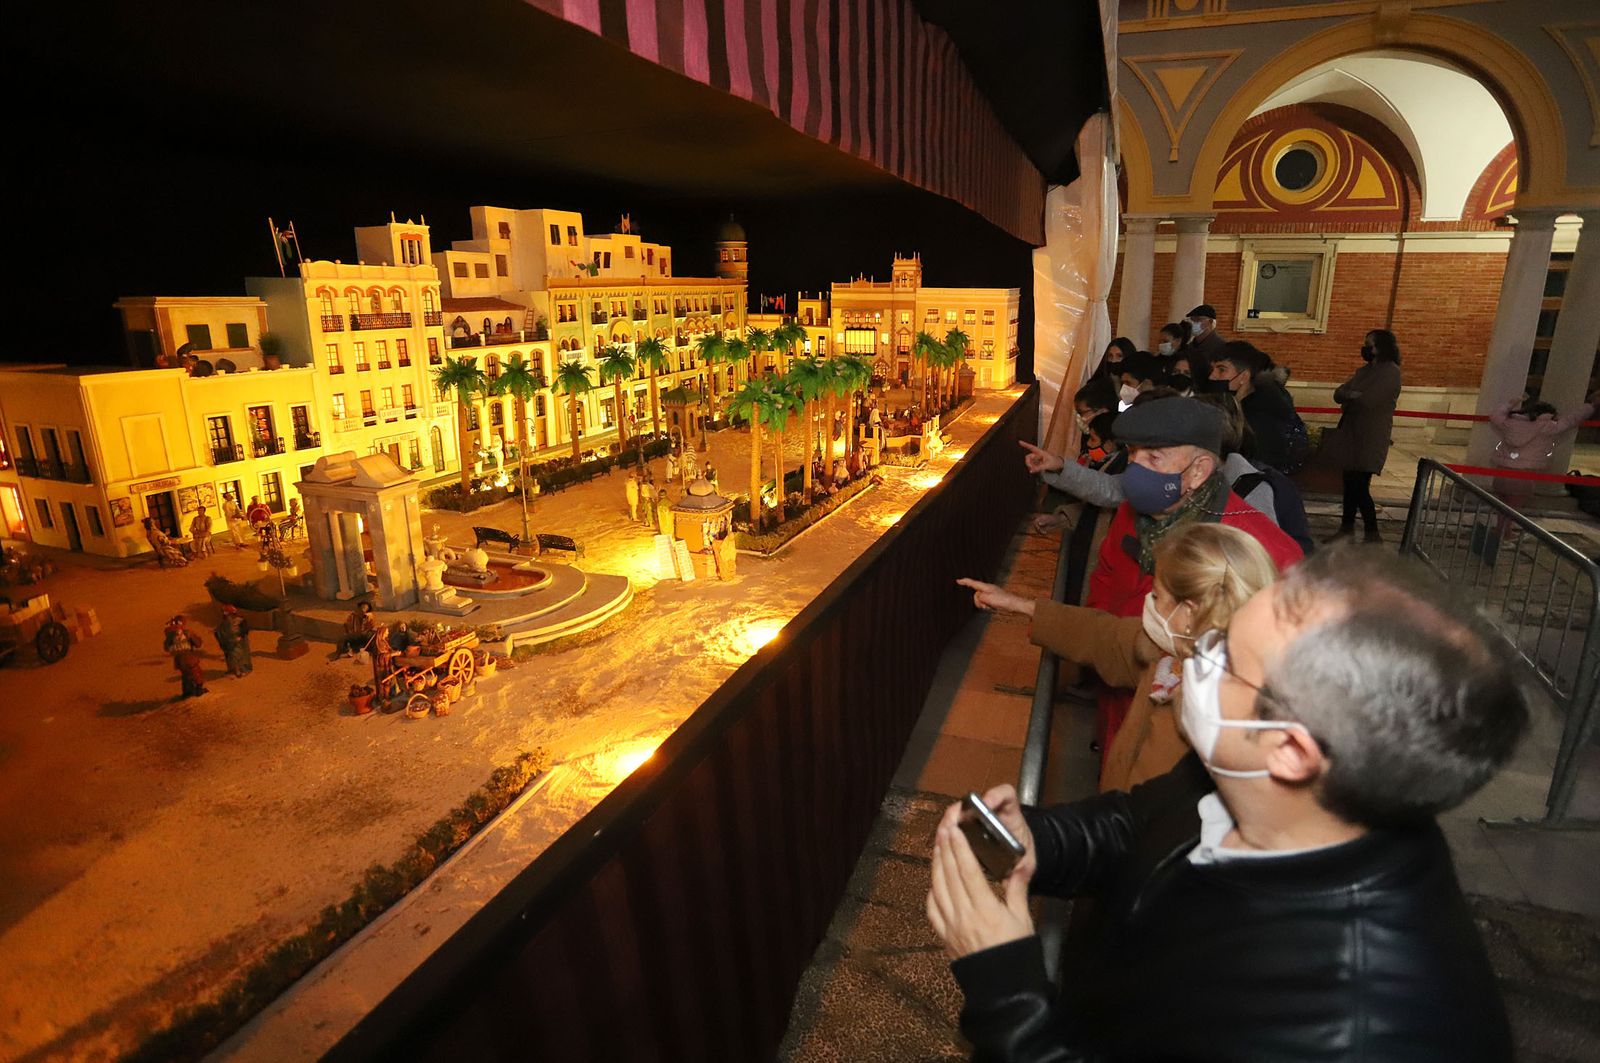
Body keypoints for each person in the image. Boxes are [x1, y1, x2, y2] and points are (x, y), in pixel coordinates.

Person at [929, 547, 1526, 1063]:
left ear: (1291, 749)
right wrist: (1039, 838)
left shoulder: (1353, 1033)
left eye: (1227, 658)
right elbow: (1138, 823)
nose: (1198, 659)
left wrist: (1005, 989)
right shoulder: (1264, 786)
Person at [960, 523, 1276, 791]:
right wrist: (1020, 605)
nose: (1149, 604)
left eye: (1157, 596)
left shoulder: (1221, 730)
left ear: (1190, 614)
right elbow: (1104, 637)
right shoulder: (1171, 654)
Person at [1082, 398, 1302, 769]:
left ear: (1198, 470)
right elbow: (1105, 580)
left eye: (1153, 458)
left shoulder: (1262, 549)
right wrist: (1103, 647)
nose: (1133, 470)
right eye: (1132, 455)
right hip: (1119, 700)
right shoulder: (1131, 513)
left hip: (1189, 744)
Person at [1327, 328, 1403, 543]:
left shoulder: (1390, 372)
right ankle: (1346, 528)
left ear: (1381, 347)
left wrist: (1351, 397)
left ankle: (1372, 533)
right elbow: (1339, 393)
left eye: (1370, 344)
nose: (1366, 348)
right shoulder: (1364, 371)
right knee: (1349, 484)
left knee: (1360, 485)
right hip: (1351, 432)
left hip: (1370, 436)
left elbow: (1369, 401)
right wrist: (1351, 395)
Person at [1488, 392, 1597, 512]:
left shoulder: (1509, 423)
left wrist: (1511, 403)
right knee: (1513, 511)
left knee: (1502, 509)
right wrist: (1590, 406)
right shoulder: (1547, 427)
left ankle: (1501, 529)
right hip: (1524, 477)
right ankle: (1505, 530)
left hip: (1501, 474)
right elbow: (1571, 419)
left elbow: (1495, 416)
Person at [1210, 340, 1308, 473]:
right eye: (1212, 369)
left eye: (1221, 369)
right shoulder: (1235, 408)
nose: (1212, 376)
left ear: (1244, 376)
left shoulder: (1260, 418)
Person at [163, 615, 207, 698]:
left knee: (186, 675)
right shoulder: (187, 632)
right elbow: (198, 643)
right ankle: (198, 690)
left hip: (178, 660)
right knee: (197, 672)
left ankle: (187, 692)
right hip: (188, 656)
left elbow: (166, 648)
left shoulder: (170, 635)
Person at [1184, 303, 1226, 384]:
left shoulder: (1221, 347)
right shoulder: (1190, 347)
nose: (1193, 323)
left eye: (1198, 319)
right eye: (1192, 320)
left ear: (1210, 322)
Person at [213, 604, 252, 678]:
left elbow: (245, 630)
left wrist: (240, 636)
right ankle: (233, 670)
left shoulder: (240, 621)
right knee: (231, 657)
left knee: (239, 656)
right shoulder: (225, 622)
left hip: (240, 643)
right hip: (229, 643)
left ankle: (242, 670)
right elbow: (221, 631)